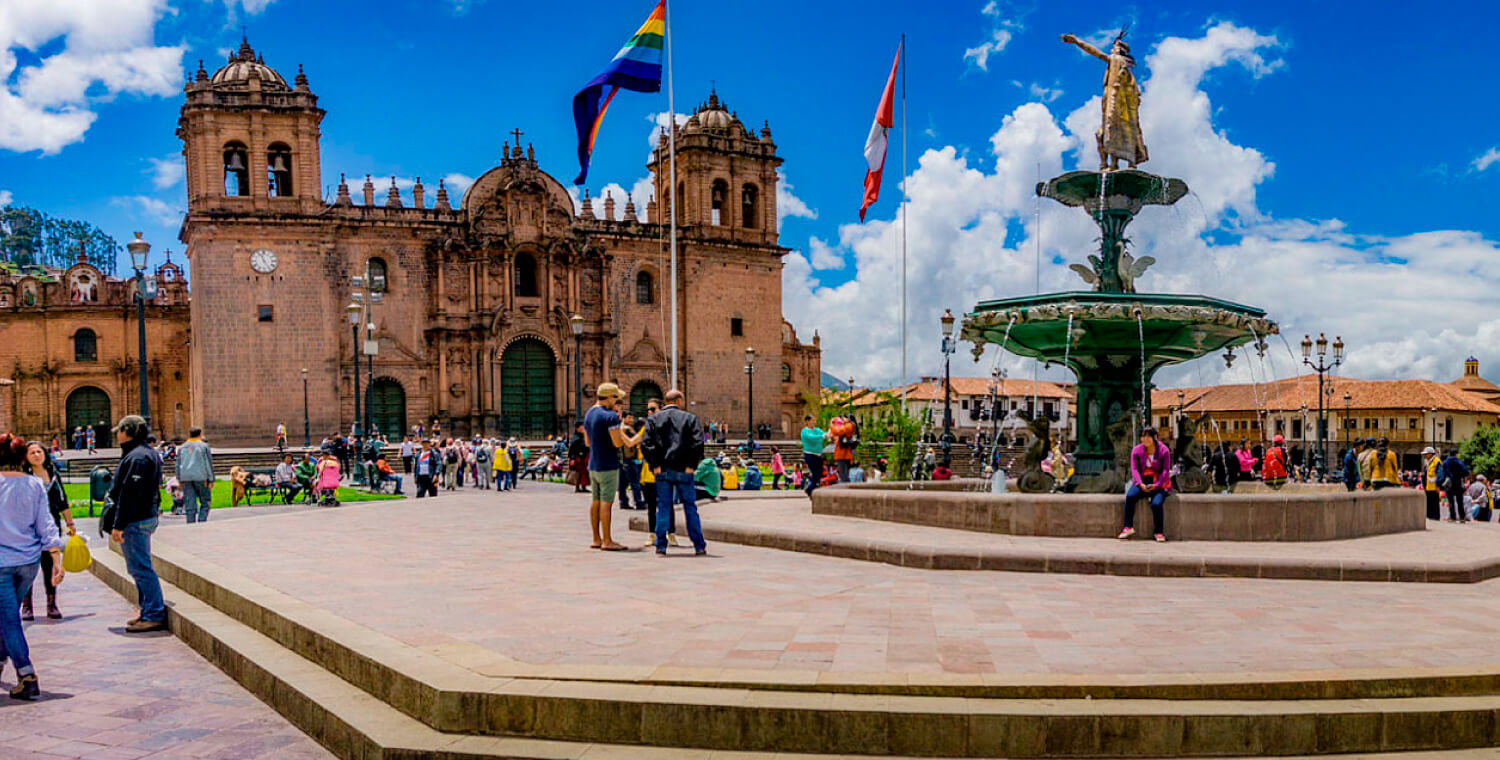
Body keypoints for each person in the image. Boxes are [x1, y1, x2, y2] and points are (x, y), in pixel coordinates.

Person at [0, 433, 65, 699]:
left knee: (10, 620)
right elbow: (46, 523)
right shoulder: (34, 484)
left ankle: (27, 676)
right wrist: (56, 558)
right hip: (28, 563)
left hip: (2, 565)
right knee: (7, 617)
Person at [105, 415, 167, 632]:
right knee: (138, 567)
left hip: (136, 519)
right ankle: (147, 610)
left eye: (119, 431)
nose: (117, 435)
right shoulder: (143, 453)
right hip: (143, 516)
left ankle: (154, 613)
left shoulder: (137, 457)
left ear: (127, 431)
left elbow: (130, 494)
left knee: (140, 567)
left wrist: (119, 524)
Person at [641, 389, 707, 556]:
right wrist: (691, 465)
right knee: (690, 507)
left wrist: (654, 464)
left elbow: (646, 444)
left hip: (662, 470)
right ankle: (698, 545)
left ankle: (661, 545)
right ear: (679, 400)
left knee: (663, 506)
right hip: (685, 470)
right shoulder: (690, 418)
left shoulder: (653, 419)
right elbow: (698, 443)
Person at [582, 383, 642, 551]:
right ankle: (607, 540)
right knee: (606, 503)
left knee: (595, 501)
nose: (617, 402)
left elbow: (587, 442)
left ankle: (596, 538)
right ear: (609, 397)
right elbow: (617, 443)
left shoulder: (589, 414)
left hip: (593, 464)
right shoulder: (610, 416)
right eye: (616, 398)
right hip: (608, 464)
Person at [21, 441, 72, 621]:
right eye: (32, 452)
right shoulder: (23, 476)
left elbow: (62, 501)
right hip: (29, 529)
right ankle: (27, 606)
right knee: (28, 568)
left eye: (39, 451)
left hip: (51, 526)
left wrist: (70, 523)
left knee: (49, 565)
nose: (36, 455)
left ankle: (52, 604)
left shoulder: (53, 474)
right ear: (26, 457)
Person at [1119, 426, 1171, 542]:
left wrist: (1157, 485)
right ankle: (1128, 527)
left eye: (1148, 436)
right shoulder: (1136, 450)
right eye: (1143, 436)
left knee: (1156, 504)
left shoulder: (1164, 451)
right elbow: (1135, 469)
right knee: (1130, 496)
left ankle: (1159, 532)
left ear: (1155, 437)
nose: (1145, 439)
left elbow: (1165, 471)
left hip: (1159, 482)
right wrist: (1140, 483)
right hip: (1142, 480)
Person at [175, 427, 214, 523]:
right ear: (200, 434)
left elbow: (177, 464)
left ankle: (190, 522)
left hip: (186, 477)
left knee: (189, 502)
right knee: (205, 501)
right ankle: (202, 520)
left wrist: (179, 478)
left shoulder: (182, 447)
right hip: (201, 476)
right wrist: (211, 478)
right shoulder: (203, 446)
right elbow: (208, 463)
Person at [618, 411, 645, 510]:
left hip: (623, 459)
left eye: (632, 418)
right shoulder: (627, 429)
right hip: (629, 458)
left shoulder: (621, 428)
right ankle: (638, 502)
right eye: (629, 418)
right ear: (624, 418)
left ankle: (623, 502)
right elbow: (634, 442)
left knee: (623, 483)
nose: (631, 420)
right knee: (634, 482)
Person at [799, 416, 828, 497]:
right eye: (812, 420)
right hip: (810, 454)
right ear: (807, 421)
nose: (814, 422)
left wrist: (828, 434)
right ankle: (811, 490)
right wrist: (822, 436)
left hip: (818, 454)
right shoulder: (805, 431)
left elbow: (823, 434)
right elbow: (811, 438)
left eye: (815, 420)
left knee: (819, 473)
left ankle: (810, 489)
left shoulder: (817, 430)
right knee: (815, 473)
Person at [1442, 448, 1470, 523]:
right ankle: (1462, 517)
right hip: (1458, 483)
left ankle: (1453, 517)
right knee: (1460, 501)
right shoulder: (1459, 462)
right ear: (1456, 454)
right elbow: (1466, 471)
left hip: (1449, 483)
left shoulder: (1445, 462)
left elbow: (1442, 473)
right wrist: (1461, 475)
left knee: (1450, 501)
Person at [1421, 447, 1443, 520]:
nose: (1424, 456)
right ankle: (1429, 517)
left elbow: (1440, 474)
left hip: (1434, 487)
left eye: (1426, 454)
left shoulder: (1436, 461)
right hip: (1428, 487)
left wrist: (1438, 485)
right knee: (1429, 504)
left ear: (1430, 454)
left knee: (1434, 504)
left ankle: (1435, 518)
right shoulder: (1428, 462)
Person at [568, 422, 589, 494]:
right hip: (578, 457)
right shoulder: (575, 438)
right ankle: (577, 487)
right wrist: (572, 458)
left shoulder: (584, 436)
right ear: (577, 428)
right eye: (582, 427)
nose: (583, 429)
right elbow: (572, 449)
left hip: (584, 456)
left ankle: (584, 486)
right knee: (578, 472)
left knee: (584, 472)